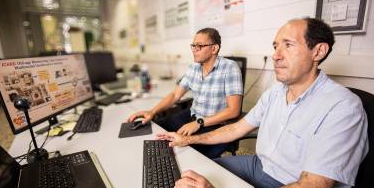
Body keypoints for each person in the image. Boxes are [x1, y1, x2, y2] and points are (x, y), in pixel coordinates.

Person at [157, 18, 369, 188]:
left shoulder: (343, 106)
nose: (276, 55)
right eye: (275, 46)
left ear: (318, 51)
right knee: (192, 174)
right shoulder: (275, 92)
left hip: (290, 181)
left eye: (288, 45)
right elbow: (236, 129)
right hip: (259, 165)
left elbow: (314, 184)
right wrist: (190, 140)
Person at [127, 27, 243, 158]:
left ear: (214, 49)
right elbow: (176, 95)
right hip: (192, 115)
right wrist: (152, 111)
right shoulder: (194, 67)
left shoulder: (230, 68)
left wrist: (199, 122)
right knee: (158, 130)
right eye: (193, 45)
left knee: (183, 153)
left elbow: (234, 110)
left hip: (214, 125)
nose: (194, 49)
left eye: (199, 46)